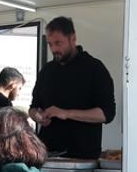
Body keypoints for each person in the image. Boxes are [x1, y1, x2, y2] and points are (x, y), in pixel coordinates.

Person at [28, 17, 116, 159]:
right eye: (50, 44)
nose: (54, 49)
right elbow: (33, 108)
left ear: (73, 38)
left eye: (58, 43)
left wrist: (66, 113)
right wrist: (38, 117)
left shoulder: (94, 68)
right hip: (46, 154)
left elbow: (106, 114)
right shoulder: (47, 71)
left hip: (81, 157)